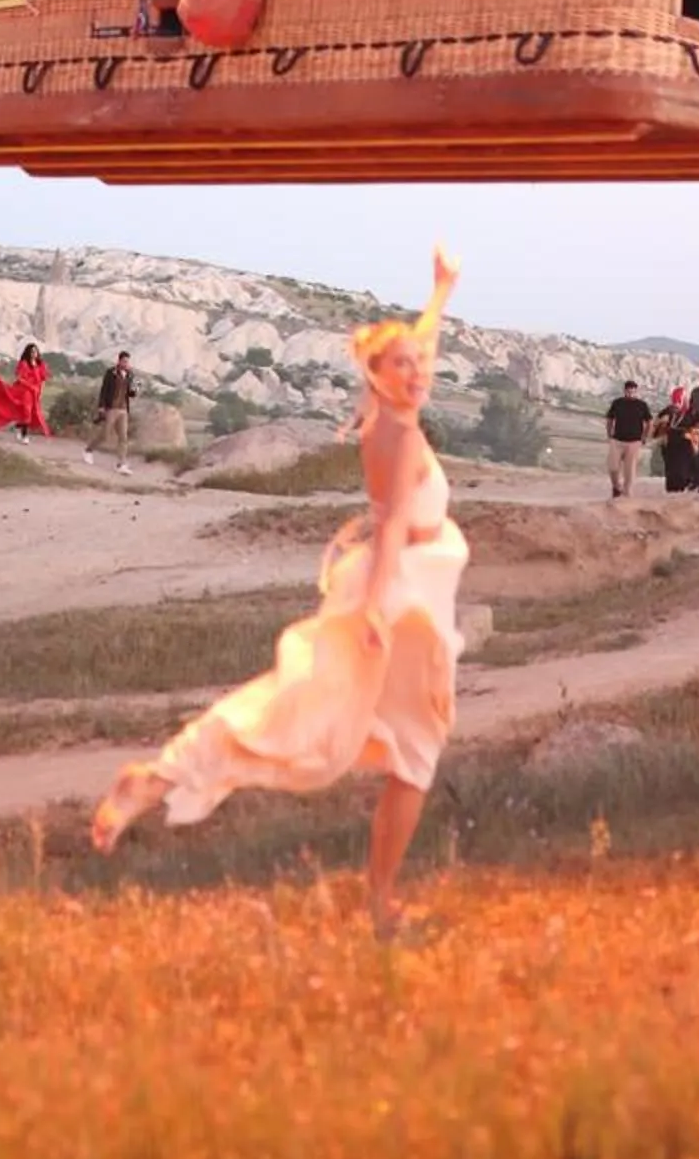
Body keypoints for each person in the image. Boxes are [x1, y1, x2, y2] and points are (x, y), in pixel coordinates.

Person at [92, 251, 468, 940]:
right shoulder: (402, 434)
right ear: (376, 378)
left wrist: (438, 296)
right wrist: (380, 614)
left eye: (421, 363)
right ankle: (381, 908)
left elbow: (418, 351)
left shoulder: (389, 416)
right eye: (403, 365)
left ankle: (159, 779)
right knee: (386, 745)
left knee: (333, 720)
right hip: (403, 597)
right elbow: (387, 532)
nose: (418, 372)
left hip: (406, 592)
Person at [85, 350, 136, 469]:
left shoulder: (130, 375)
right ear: (119, 361)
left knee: (123, 437)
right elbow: (104, 390)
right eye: (124, 361)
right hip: (111, 408)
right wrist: (101, 406)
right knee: (105, 435)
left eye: (127, 362)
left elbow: (132, 394)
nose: (126, 364)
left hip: (123, 409)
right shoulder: (110, 373)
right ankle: (89, 450)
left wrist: (135, 385)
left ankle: (121, 463)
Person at [605, 378, 652, 500]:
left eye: (633, 391)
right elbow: (610, 419)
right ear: (624, 391)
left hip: (634, 441)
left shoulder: (642, 405)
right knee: (613, 467)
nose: (630, 393)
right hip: (617, 440)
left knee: (629, 470)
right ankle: (616, 487)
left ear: (636, 391)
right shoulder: (617, 403)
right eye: (628, 390)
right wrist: (609, 434)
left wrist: (644, 437)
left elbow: (649, 422)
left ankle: (626, 495)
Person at [654, 386, 699, 494]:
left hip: (685, 443)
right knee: (671, 468)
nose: (676, 404)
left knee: (683, 468)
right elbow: (657, 424)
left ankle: (685, 487)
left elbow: (697, 427)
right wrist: (662, 424)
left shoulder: (691, 412)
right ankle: (672, 490)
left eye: (679, 401)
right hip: (671, 443)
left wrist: (693, 439)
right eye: (675, 401)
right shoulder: (668, 411)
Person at [9, 342, 52, 440]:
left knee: (32, 413)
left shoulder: (40, 365)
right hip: (25, 390)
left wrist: (40, 392)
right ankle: (25, 435)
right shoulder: (24, 363)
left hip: (35, 391)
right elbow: (19, 378)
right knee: (27, 411)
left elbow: (43, 379)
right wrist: (30, 386)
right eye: (32, 351)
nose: (34, 353)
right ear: (28, 353)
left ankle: (19, 427)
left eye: (35, 351)